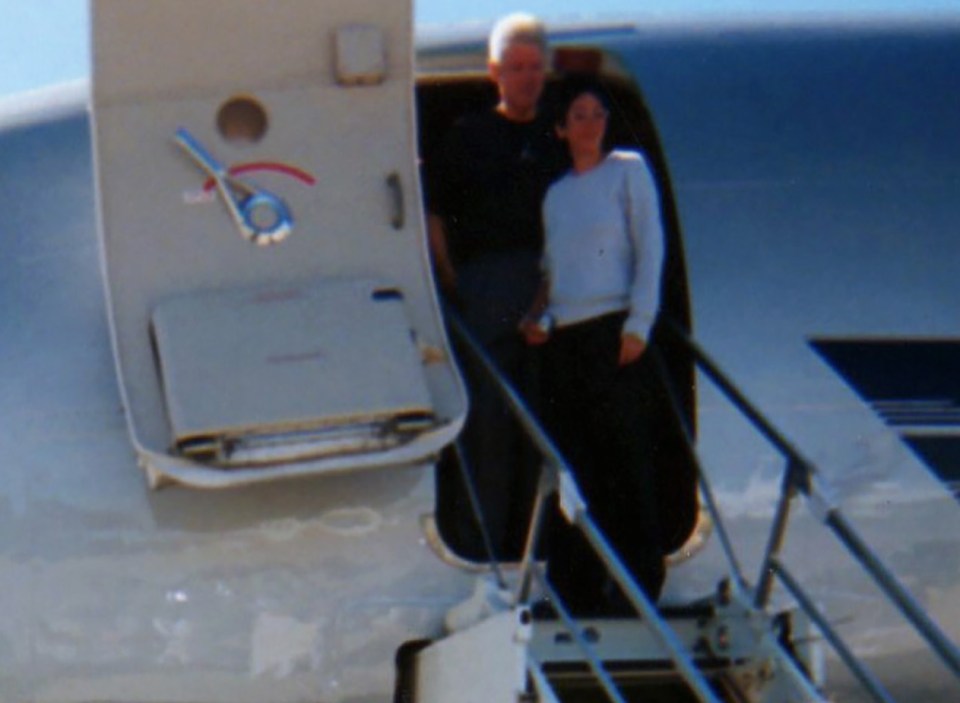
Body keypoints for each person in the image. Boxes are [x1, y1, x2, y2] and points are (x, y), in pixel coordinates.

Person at [521, 76, 667, 610]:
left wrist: (639, 322)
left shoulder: (626, 171)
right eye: (578, 115)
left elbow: (650, 243)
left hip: (614, 330)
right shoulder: (556, 195)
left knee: (626, 462)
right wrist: (539, 317)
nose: (590, 123)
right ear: (561, 127)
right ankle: (576, 586)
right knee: (575, 466)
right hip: (566, 339)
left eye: (597, 114)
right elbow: (553, 268)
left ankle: (639, 585)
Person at [425, 14, 563, 560]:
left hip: (553, 287)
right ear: (494, 73)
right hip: (487, 290)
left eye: (535, 68)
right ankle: (487, 547)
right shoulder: (468, 137)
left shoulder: (561, 136)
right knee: (488, 425)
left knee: (547, 425)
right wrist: (452, 279)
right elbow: (434, 211)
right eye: (516, 68)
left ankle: (545, 551)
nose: (527, 78)